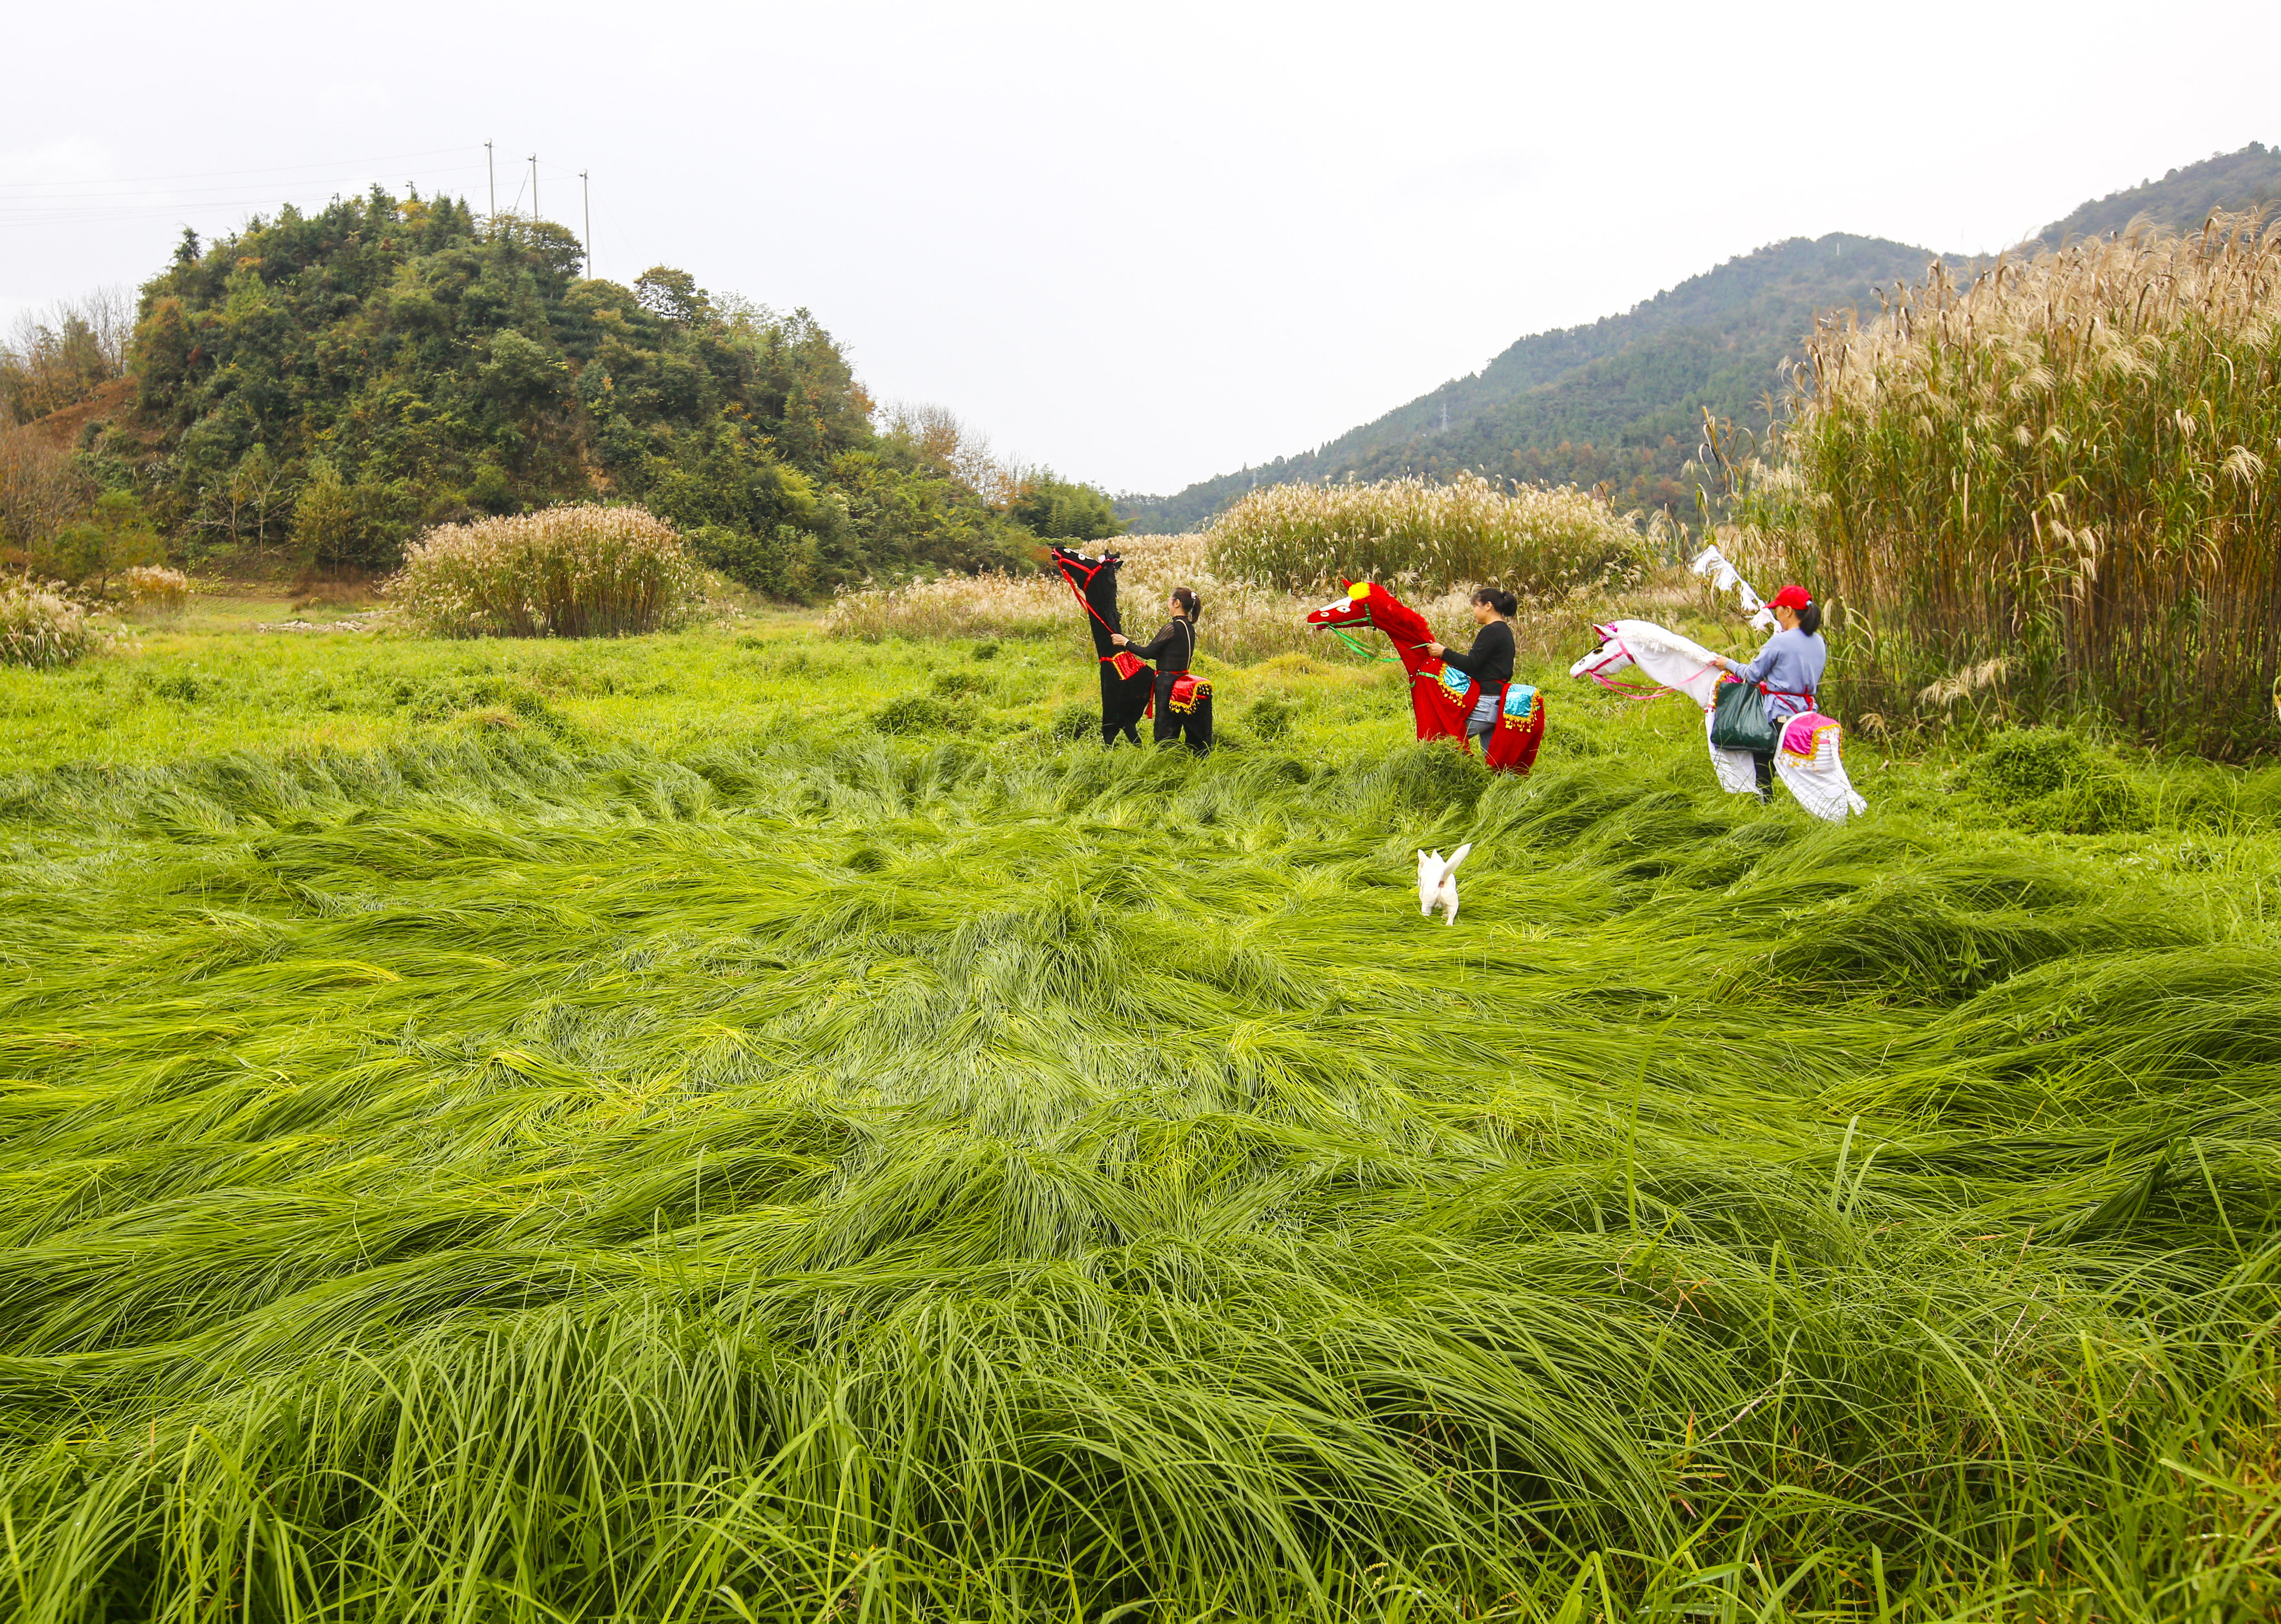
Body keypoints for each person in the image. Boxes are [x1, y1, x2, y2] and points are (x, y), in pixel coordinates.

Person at [1712, 584, 1826, 800]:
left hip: (1780, 715)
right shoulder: (1819, 641)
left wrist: (1728, 663)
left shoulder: (1780, 641)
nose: (1777, 614)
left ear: (1789, 611)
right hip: (1808, 713)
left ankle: (1765, 802)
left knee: (1763, 766)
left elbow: (1753, 675)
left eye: (1778, 610)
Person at [1111, 587, 1213, 754]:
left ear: (1177, 603)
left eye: (1169, 600)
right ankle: (1193, 757)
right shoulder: (1189, 627)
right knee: (1187, 727)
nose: (1168, 603)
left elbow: (1148, 653)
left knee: (1164, 731)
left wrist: (1125, 643)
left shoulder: (1172, 628)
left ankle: (1165, 760)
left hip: (1167, 682)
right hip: (1182, 679)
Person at [1424, 587, 1517, 748]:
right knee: (1494, 762)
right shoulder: (1504, 631)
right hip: (1498, 700)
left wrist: (1444, 653)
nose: (1474, 611)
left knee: (1446, 741)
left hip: (1487, 702)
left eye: (1476, 606)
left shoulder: (1491, 631)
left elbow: (1472, 664)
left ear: (1488, 606)